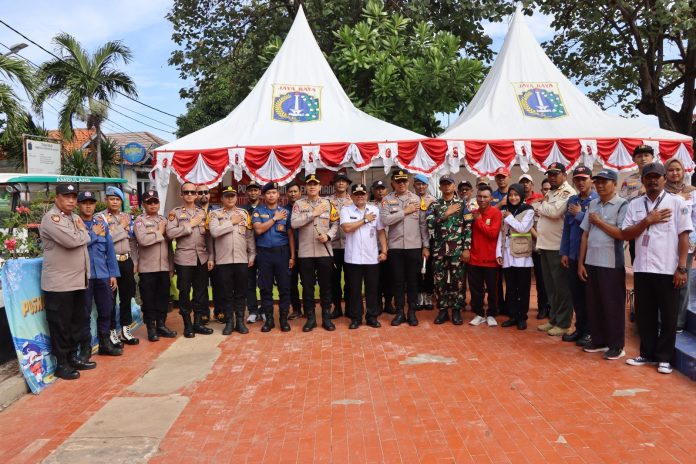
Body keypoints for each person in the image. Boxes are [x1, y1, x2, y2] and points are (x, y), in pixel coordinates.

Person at [622, 163, 692, 374]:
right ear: (643, 180)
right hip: (642, 268)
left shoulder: (677, 203)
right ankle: (646, 353)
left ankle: (664, 358)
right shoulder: (635, 204)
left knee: (668, 315)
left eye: (657, 177)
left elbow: (684, 236)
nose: (653, 180)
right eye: (648, 177)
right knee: (645, 314)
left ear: (664, 179)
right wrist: (647, 220)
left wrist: (682, 268)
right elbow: (626, 233)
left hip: (667, 268)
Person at [40, 183, 92, 380]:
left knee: (75, 322)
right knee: (60, 325)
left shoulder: (75, 218)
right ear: (57, 198)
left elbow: (80, 238)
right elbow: (72, 241)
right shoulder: (51, 219)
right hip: (60, 283)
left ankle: (72, 358)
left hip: (77, 280)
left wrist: (82, 233)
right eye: (66, 196)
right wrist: (84, 233)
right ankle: (61, 364)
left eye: (73, 197)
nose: (71, 200)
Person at [577, 169, 628, 360]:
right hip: (592, 261)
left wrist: (598, 222)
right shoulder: (593, 204)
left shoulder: (622, 204)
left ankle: (616, 345)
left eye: (604, 182)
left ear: (615, 184)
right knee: (595, 303)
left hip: (611, 263)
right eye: (597, 182)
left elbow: (622, 234)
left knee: (612, 305)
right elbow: (585, 234)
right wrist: (581, 263)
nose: (599, 185)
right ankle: (599, 340)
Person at [379, 169, 429, 327]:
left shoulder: (417, 199)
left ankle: (412, 312)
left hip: (414, 246)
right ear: (393, 183)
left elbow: (423, 225)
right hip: (395, 247)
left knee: (413, 281)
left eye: (404, 181)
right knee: (397, 281)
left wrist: (426, 246)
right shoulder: (387, 200)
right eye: (398, 181)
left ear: (408, 182)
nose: (401, 184)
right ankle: (400, 312)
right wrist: (404, 212)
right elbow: (385, 220)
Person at [291, 174, 339, 332]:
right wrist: (313, 214)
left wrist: (329, 236)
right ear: (305, 187)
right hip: (305, 253)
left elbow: (335, 224)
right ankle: (310, 319)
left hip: (324, 252)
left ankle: (326, 318)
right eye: (309, 184)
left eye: (315, 184)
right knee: (307, 287)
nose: (312, 187)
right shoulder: (299, 204)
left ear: (320, 187)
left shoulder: (328, 203)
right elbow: (294, 223)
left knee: (326, 287)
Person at [166, 182, 214, 338]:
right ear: (181, 195)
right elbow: (170, 233)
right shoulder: (175, 213)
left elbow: (208, 238)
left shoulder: (203, 213)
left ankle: (198, 323)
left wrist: (211, 257)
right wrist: (189, 225)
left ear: (196, 195)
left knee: (200, 292)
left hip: (201, 258)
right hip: (184, 259)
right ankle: (187, 325)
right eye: (186, 192)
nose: (189, 195)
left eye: (192, 192)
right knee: (185, 292)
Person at [78, 191, 122, 357]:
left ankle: (104, 343)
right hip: (84, 276)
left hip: (103, 274)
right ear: (79, 205)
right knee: (84, 313)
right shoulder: (76, 224)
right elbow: (77, 244)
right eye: (85, 203)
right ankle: (85, 348)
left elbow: (110, 251)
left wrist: (113, 274)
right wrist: (93, 234)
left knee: (106, 309)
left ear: (96, 205)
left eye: (91, 203)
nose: (88, 206)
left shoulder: (101, 224)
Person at [208, 186, 256, 335]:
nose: (230, 198)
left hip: (241, 259)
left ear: (236, 198)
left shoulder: (244, 213)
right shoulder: (215, 214)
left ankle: (240, 321)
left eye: (232, 196)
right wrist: (232, 222)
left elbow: (249, 236)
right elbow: (214, 232)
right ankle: (229, 321)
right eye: (227, 196)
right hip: (223, 260)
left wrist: (252, 254)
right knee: (226, 293)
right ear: (222, 199)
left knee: (241, 292)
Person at [536, 163, 576, 337]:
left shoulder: (567, 192)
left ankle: (564, 323)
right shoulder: (551, 192)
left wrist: (541, 206)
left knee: (561, 287)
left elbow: (555, 212)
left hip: (557, 246)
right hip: (545, 244)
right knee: (550, 286)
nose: (552, 177)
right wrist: (544, 206)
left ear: (564, 175)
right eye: (550, 174)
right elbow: (549, 211)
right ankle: (553, 319)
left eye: (555, 174)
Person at [341, 183, 388, 329]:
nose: (360, 197)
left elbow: (381, 231)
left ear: (367, 195)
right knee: (354, 290)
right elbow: (347, 228)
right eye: (357, 194)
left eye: (362, 194)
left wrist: (384, 251)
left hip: (371, 257)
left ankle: (372, 317)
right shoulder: (346, 210)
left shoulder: (375, 210)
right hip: (353, 257)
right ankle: (356, 318)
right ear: (352, 196)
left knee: (372, 290)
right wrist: (365, 220)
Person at [560, 166, 597, 346]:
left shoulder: (597, 200)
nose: (581, 182)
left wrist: (580, 214)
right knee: (576, 295)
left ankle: (590, 331)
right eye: (578, 179)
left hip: (590, 256)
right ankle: (580, 328)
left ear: (591, 180)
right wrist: (564, 252)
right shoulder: (572, 200)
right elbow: (567, 228)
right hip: (573, 254)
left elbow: (597, 225)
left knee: (589, 296)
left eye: (584, 179)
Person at [427, 175, 472, 325]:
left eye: (449, 184)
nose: (446, 186)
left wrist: (466, 248)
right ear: (440, 187)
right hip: (439, 250)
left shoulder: (462, 205)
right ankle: (443, 310)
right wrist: (445, 214)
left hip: (457, 250)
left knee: (457, 280)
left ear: (454, 186)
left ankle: (457, 310)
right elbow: (430, 224)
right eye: (444, 184)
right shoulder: (434, 205)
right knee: (439, 281)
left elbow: (468, 227)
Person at [253, 182, 296, 332]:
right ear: (264, 196)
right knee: (265, 288)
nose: (271, 195)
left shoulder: (286, 212)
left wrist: (292, 256)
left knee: (284, 287)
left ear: (278, 195)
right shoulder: (258, 211)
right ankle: (269, 320)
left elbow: (290, 235)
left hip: (282, 253)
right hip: (264, 253)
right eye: (268, 193)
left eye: (273, 193)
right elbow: (258, 230)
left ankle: (283, 320)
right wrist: (275, 219)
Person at [134, 190, 176, 342]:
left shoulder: (164, 220)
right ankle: (151, 328)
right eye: (149, 202)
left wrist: (171, 266)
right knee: (149, 300)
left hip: (163, 267)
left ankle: (161, 325)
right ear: (143, 204)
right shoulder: (140, 221)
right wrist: (159, 232)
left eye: (155, 202)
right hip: (147, 268)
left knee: (163, 298)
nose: (152, 205)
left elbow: (169, 246)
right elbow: (143, 240)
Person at [101, 186, 139, 346]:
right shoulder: (101, 218)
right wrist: (121, 227)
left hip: (127, 260)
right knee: (110, 299)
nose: (115, 202)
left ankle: (125, 329)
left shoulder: (126, 216)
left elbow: (132, 240)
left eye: (117, 199)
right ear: (106, 200)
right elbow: (106, 239)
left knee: (126, 297)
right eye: (112, 199)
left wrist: (135, 261)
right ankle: (111, 332)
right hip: (111, 262)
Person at [663, 158, 696, 332]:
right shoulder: (660, 193)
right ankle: (662, 320)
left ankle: (678, 322)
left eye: (678, 169)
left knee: (683, 282)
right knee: (664, 281)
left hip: (687, 244)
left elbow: (695, 219)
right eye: (671, 170)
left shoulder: (692, 192)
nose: (675, 173)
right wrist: (677, 198)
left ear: (683, 171)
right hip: (664, 243)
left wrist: (694, 243)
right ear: (665, 173)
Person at [496, 184, 535, 330]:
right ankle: (512, 315)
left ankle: (522, 316)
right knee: (511, 287)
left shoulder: (528, 210)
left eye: (516, 195)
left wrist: (510, 217)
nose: (513, 198)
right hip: (507, 253)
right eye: (511, 195)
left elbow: (523, 228)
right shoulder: (504, 210)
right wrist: (498, 252)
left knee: (523, 287)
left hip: (522, 253)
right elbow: (501, 232)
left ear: (521, 195)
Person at [468, 185, 503, 327]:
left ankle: (492, 313)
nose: (482, 199)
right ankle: (479, 313)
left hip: (490, 260)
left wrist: (479, 220)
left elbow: (493, 233)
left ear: (491, 198)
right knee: (476, 290)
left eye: (485, 197)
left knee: (492, 289)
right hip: (474, 259)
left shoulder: (496, 213)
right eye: (479, 196)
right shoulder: (473, 213)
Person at [520, 174, 550, 319]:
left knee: (549, 280)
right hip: (532, 246)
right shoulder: (533, 205)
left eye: (550, 189)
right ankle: (540, 307)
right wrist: (539, 239)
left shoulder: (559, 204)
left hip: (550, 247)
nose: (547, 192)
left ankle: (550, 307)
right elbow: (528, 225)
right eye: (545, 189)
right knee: (537, 279)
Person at [620, 145, 655, 264]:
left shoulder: (660, 177)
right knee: (636, 259)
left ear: (652, 157)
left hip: (657, 226)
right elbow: (623, 201)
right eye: (639, 156)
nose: (643, 159)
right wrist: (638, 193)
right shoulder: (629, 180)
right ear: (634, 159)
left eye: (646, 155)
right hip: (636, 226)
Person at [328, 170, 353, 318]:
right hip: (333, 247)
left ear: (348, 184)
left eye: (344, 181)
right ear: (334, 184)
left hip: (351, 246)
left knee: (351, 279)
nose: (341, 183)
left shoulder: (354, 201)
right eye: (338, 181)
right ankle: (337, 307)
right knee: (334, 280)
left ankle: (350, 307)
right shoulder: (327, 202)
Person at [196, 183, 222, 324]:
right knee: (201, 286)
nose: (203, 195)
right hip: (200, 254)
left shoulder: (218, 211)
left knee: (219, 285)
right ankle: (204, 313)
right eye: (200, 192)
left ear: (209, 194)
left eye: (206, 192)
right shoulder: (192, 212)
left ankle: (219, 312)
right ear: (196, 195)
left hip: (218, 254)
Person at [370, 179, 394, 314]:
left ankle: (389, 303)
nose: (380, 191)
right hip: (374, 247)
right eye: (377, 189)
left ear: (387, 190)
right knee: (376, 278)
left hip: (391, 245)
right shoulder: (368, 206)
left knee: (390, 277)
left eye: (382, 188)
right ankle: (378, 304)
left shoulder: (392, 203)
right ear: (373, 191)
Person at [413, 174, 436, 311]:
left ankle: (428, 295)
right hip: (414, 240)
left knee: (429, 270)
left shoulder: (433, 201)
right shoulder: (411, 199)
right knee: (416, 270)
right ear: (414, 185)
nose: (421, 187)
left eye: (423, 184)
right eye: (418, 184)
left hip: (429, 240)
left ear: (427, 185)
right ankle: (418, 296)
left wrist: (426, 245)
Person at [243, 181, 263, 323]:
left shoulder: (265, 209)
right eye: (250, 190)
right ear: (247, 193)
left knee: (264, 282)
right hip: (247, 251)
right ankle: (253, 311)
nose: (253, 192)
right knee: (249, 283)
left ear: (260, 192)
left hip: (264, 250)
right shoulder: (242, 211)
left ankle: (264, 310)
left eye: (255, 190)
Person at [285, 181, 304, 320]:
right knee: (291, 282)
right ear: (286, 194)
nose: (293, 194)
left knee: (307, 282)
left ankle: (309, 309)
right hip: (289, 252)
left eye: (295, 191)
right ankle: (296, 309)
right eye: (290, 192)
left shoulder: (306, 207)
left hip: (306, 251)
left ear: (300, 193)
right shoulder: (283, 211)